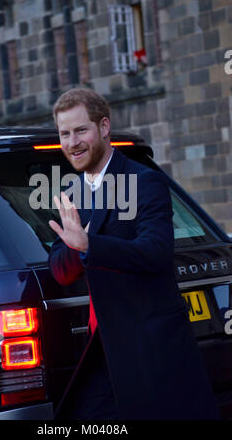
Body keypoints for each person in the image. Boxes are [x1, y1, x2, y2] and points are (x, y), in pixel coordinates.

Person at [48, 87, 219, 420]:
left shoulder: (144, 181)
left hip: (151, 350)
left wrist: (89, 245)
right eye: (64, 133)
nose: (72, 142)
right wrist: (74, 247)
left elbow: (155, 252)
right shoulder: (72, 192)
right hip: (103, 351)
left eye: (81, 130)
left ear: (104, 127)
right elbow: (60, 270)